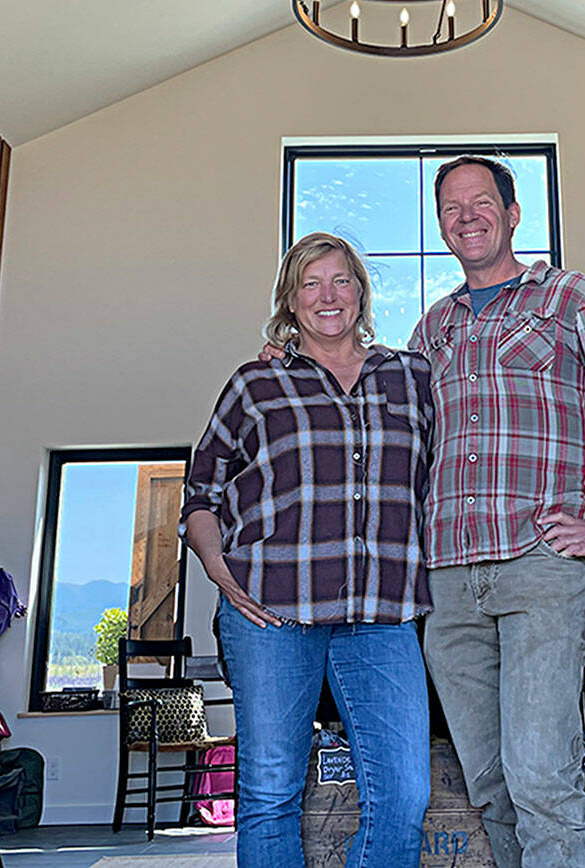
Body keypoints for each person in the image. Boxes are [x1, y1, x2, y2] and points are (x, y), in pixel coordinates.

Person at [408, 155, 585, 868]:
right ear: (440, 224)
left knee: (541, 776)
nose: (465, 216)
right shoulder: (432, 329)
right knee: (491, 786)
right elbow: (388, 431)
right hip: (445, 577)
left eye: (480, 202)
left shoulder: (571, 299)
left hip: (540, 566)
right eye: (450, 207)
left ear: (512, 214)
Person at [182, 231, 434, 867]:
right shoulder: (255, 385)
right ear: (290, 303)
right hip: (271, 612)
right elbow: (200, 495)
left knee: (404, 792)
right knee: (270, 792)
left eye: (341, 280)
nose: (328, 295)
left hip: (383, 616)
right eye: (310, 284)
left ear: (361, 293)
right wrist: (219, 571)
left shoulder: (410, 378)